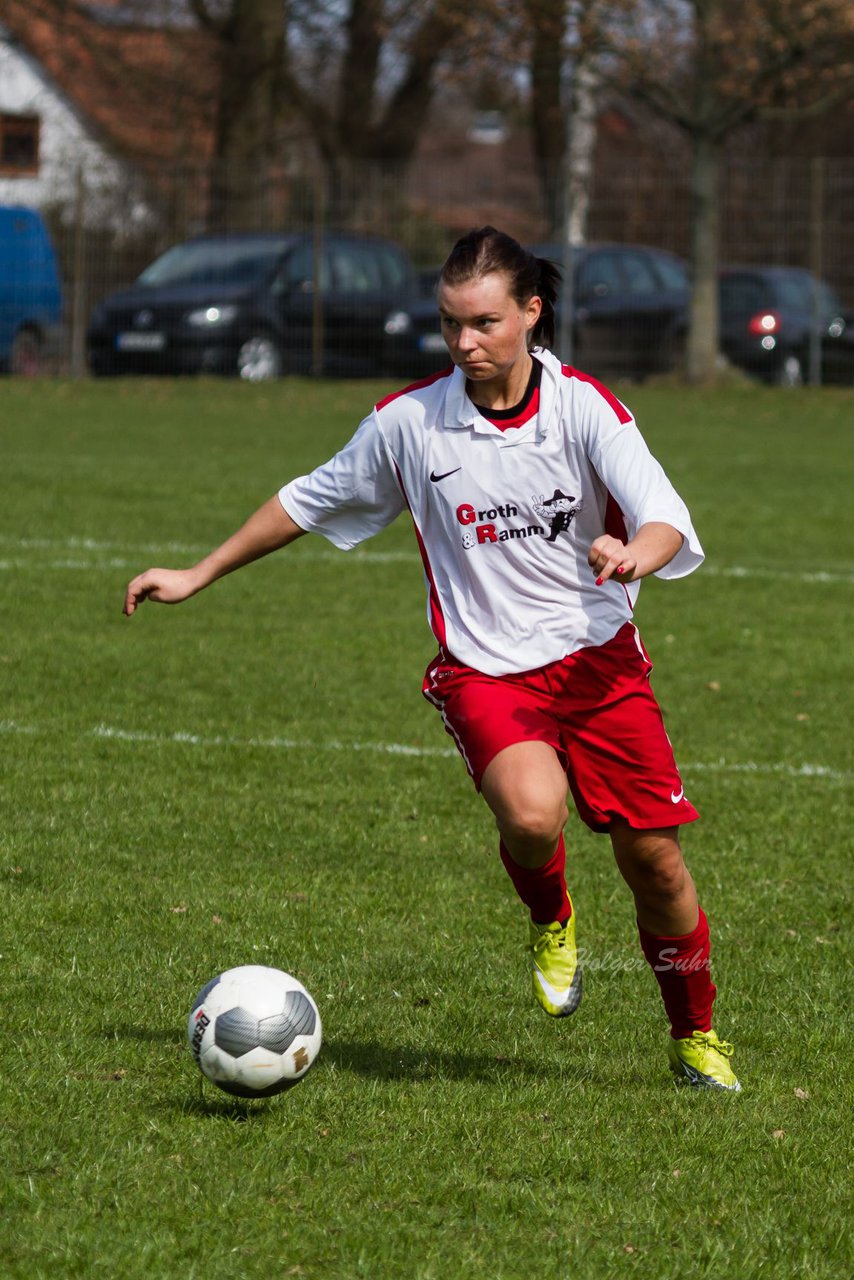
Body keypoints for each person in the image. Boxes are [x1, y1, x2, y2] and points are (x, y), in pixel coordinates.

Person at [124, 225, 740, 1092]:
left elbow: (663, 512)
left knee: (656, 863)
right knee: (532, 815)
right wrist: (199, 572)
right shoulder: (408, 423)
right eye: (451, 324)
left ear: (531, 313)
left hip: (600, 664)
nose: (464, 343)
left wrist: (639, 550)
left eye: (484, 323)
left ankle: (695, 1035)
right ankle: (551, 914)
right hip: (485, 668)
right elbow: (305, 501)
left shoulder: (585, 407)